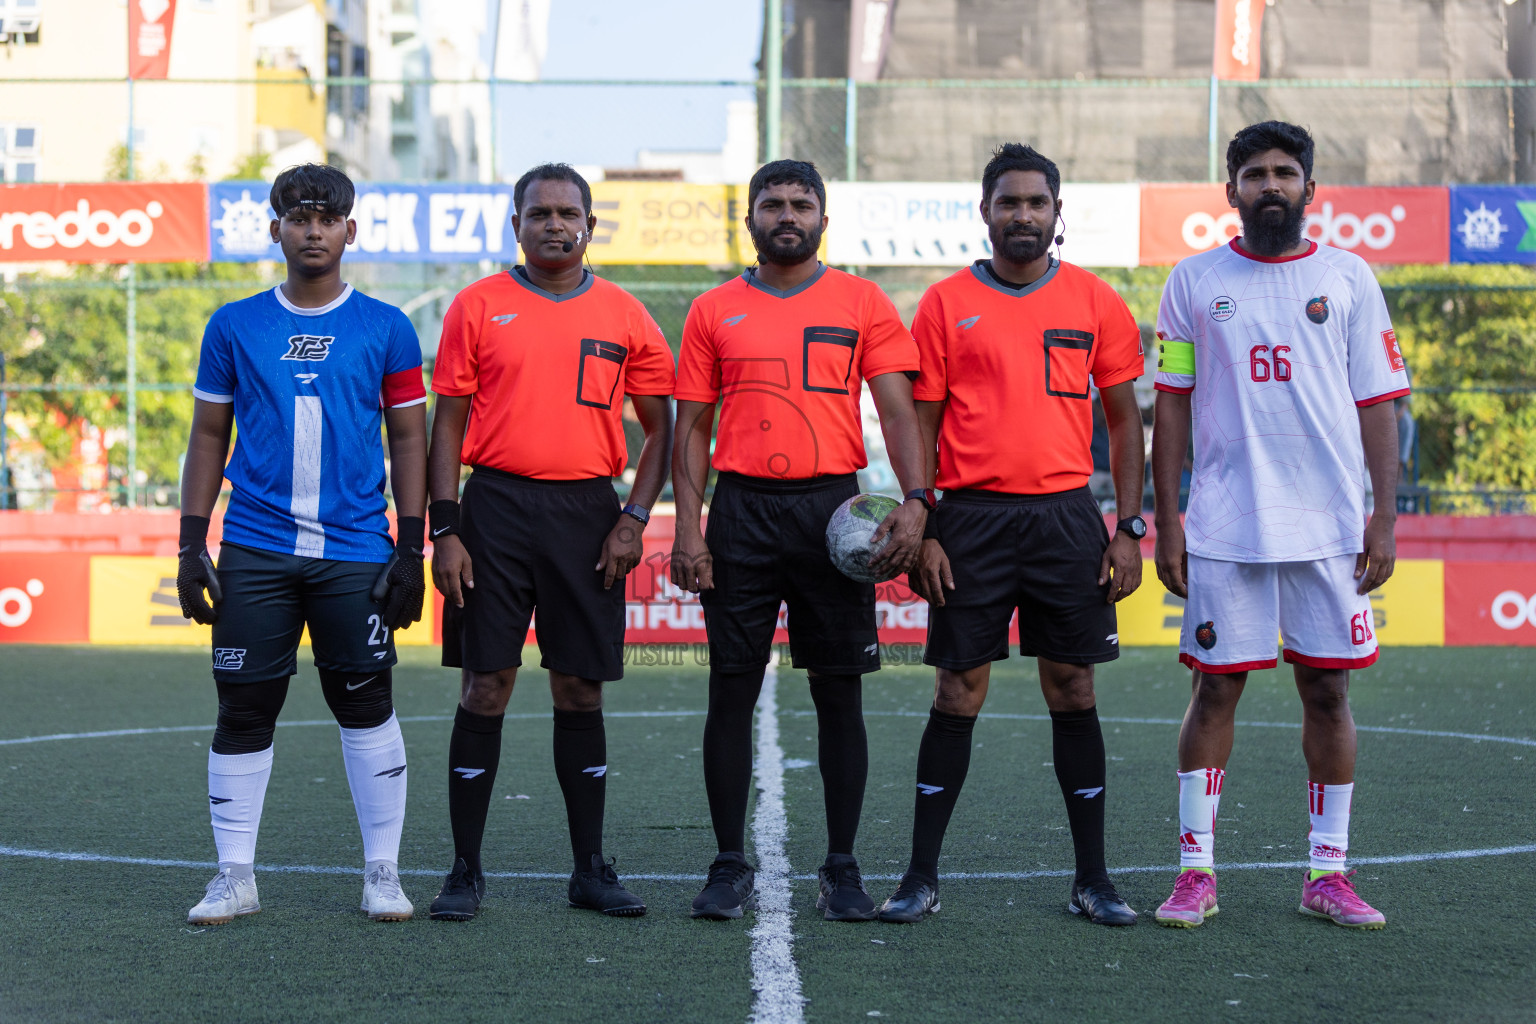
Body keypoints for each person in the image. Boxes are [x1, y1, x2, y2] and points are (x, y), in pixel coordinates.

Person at [877, 143, 1146, 927]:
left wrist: (1129, 527)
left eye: (1036, 202)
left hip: (1066, 518)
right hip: (968, 521)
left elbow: (1126, 422)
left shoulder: (1096, 301)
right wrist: (921, 513)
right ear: (985, 211)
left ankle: (1093, 879)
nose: (1022, 214)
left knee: (1075, 686)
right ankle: (920, 878)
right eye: (1009, 202)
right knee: (957, 689)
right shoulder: (943, 303)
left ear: (1058, 215)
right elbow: (922, 418)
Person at [1150, 121, 1409, 930]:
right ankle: (1197, 873)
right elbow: (1172, 408)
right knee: (1215, 688)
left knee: (1327, 691)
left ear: (1309, 188)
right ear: (1230, 191)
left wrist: (1384, 520)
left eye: (1285, 173)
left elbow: (1380, 404)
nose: (1270, 185)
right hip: (1227, 526)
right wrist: (1168, 523)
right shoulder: (1193, 281)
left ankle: (1326, 875)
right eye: (1255, 173)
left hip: (1329, 529)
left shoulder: (1350, 277)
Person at [671, 159, 929, 922]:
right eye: (772, 204)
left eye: (801, 203)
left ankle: (842, 868)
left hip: (832, 510)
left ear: (824, 216)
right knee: (731, 690)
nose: (787, 215)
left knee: (838, 692)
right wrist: (690, 527)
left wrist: (917, 502)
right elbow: (690, 429)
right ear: (749, 219)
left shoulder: (862, 300)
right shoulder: (713, 308)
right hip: (741, 509)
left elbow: (898, 412)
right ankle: (727, 864)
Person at [177, 163, 428, 925]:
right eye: (297, 216)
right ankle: (234, 876)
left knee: (366, 702)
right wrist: (192, 544)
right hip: (255, 547)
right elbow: (208, 435)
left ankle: (382, 873)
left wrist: (410, 548)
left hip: (355, 549)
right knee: (245, 707)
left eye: (327, 217)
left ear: (350, 230)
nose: (312, 229)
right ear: (275, 228)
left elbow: (411, 439)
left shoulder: (387, 325)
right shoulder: (234, 324)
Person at [425, 163, 675, 921]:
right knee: (485, 684)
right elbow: (448, 426)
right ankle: (465, 870)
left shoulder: (628, 315)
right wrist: (446, 527)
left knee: (579, 686)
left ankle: (590, 870)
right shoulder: (477, 306)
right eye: (540, 214)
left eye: (570, 213)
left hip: (587, 514)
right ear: (517, 224)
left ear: (590, 225)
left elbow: (662, 428)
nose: (555, 225)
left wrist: (633, 517)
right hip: (493, 509)